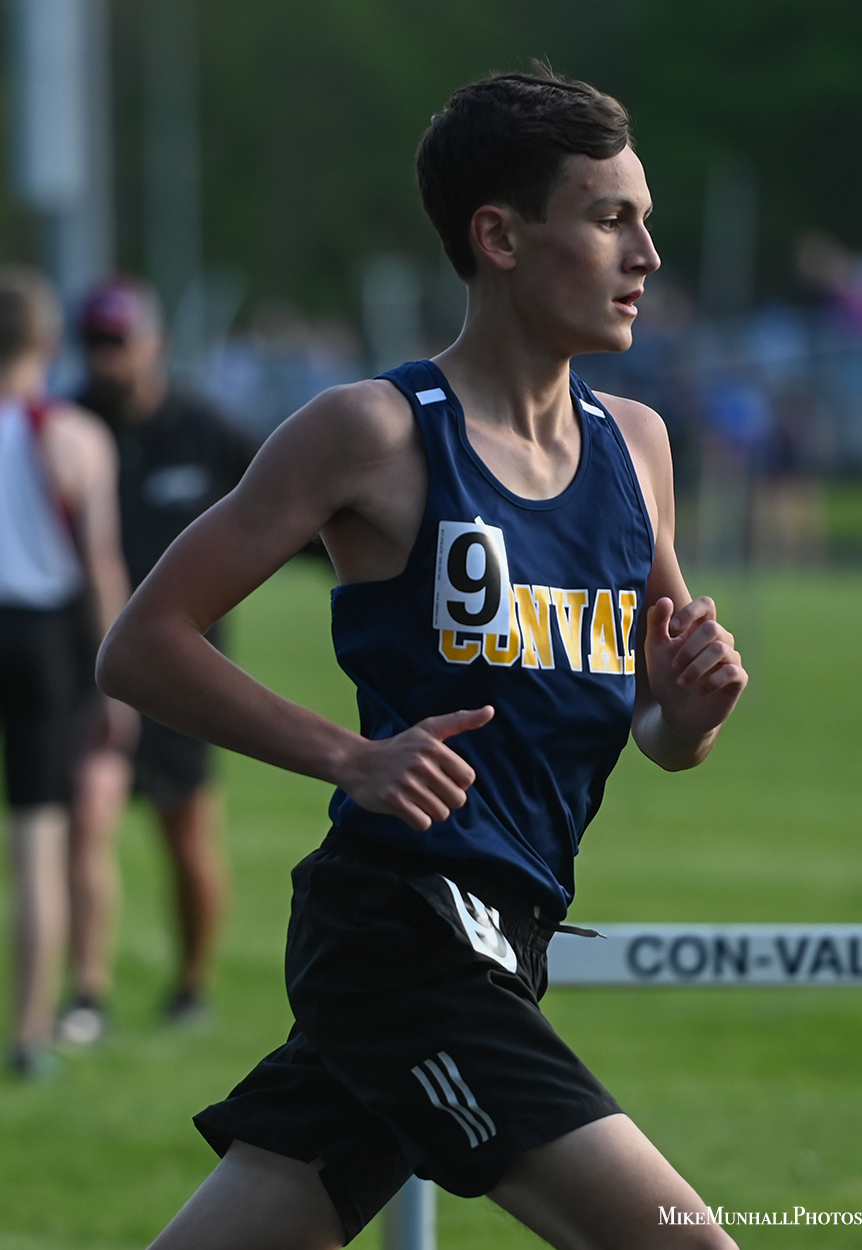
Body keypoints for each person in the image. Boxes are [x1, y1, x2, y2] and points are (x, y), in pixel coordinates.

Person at [99, 69, 748, 1249]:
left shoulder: (637, 447)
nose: (647, 255)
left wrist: (691, 711)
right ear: (498, 236)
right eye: (609, 218)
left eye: (644, 220)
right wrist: (351, 756)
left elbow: (661, 735)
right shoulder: (374, 431)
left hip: (511, 931)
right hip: (402, 933)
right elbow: (141, 644)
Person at [59, 279, 254, 1043]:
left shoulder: (209, 433)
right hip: (89, 668)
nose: (105, 360)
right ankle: (88, 994)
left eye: (118, 343)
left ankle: (192, 987)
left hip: (187, 675)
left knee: (187, 834)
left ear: (155, 344)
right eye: (93, 344)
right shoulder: (68, 427)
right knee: (87, 820)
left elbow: (302, 522)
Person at [0, 266, 132, 1076]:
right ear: (46, 342)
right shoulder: (73, 435)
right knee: (38, 844)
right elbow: (102, 566)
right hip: (43, 643)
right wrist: (119, 681)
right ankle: (29, 1035)